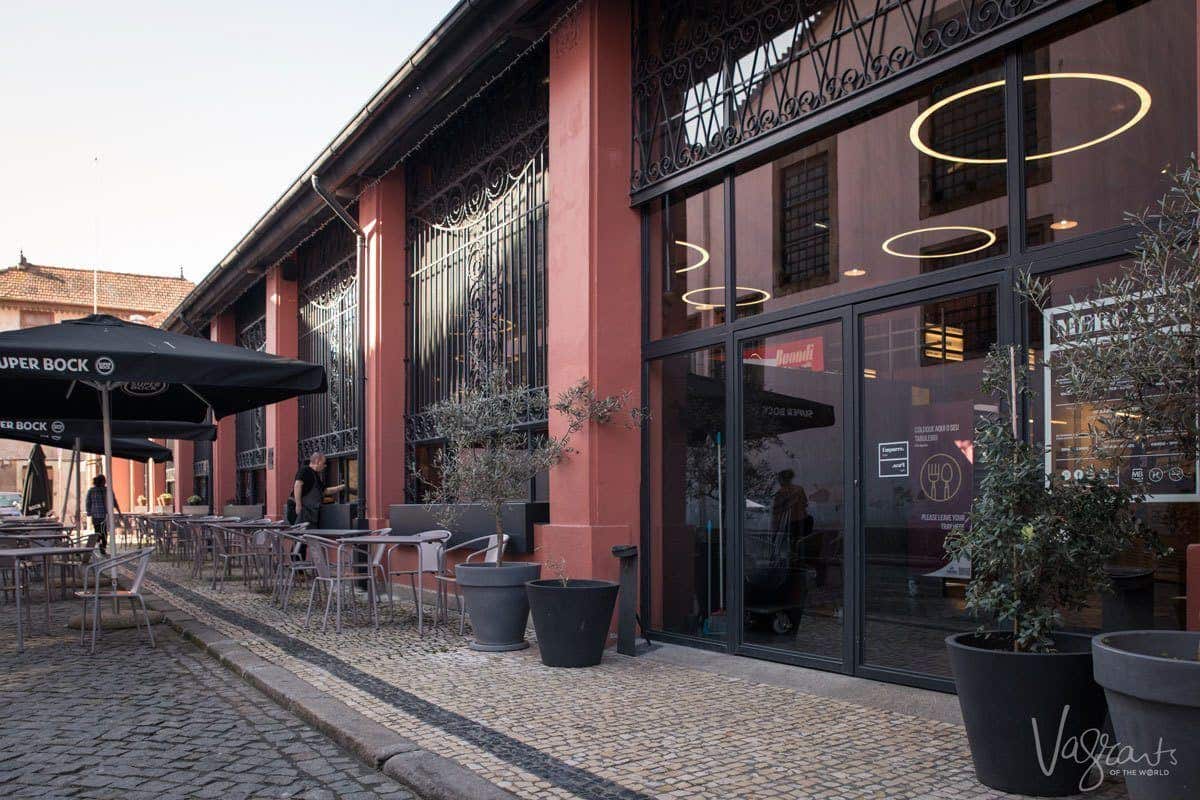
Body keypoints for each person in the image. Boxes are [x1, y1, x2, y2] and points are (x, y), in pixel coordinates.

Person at [291, 452, 345, 526]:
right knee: (299, 534)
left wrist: (342, 487)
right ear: (317, 461)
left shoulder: (316, 475)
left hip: (311, 512)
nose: (325, 466)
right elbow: (297, 485)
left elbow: (325, 491)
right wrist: (298, 505)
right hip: (302, 512)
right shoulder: (305, 470)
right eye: (323, 463)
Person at [85, 475, 119, 556]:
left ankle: (100, 545)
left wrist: (89, 512)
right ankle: (102, 547)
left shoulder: (91, 490)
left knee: (98, 532)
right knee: (103, 532)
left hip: (96, 515)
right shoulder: (107, 490)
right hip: (104, 516)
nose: (105, 482)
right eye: (104, 480)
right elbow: (114, 501)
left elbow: (88, 502)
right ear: (102, 481)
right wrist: (119, 511)